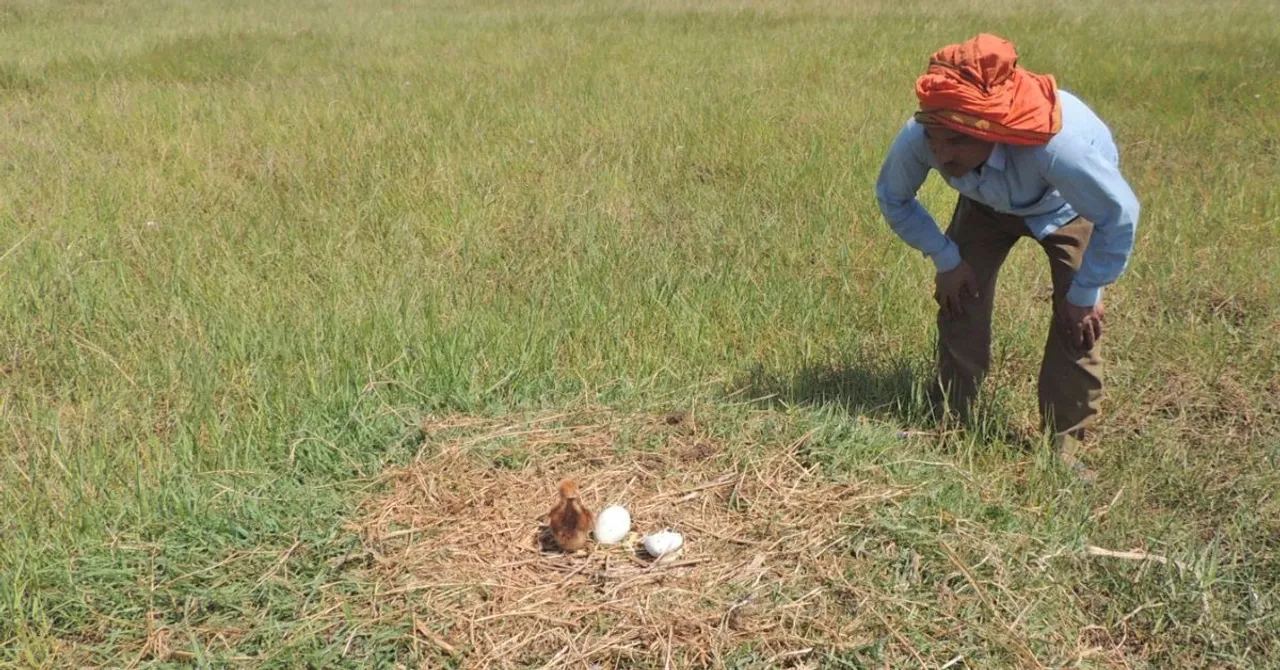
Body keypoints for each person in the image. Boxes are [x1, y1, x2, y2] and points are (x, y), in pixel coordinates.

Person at [875, 33, 1140, 481]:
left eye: (957, 142)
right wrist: (946, 259)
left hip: (1064, 207)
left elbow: (1119, 213)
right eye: (936, 140)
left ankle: (1065, 450)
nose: (942, 155)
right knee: (959, 300)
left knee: (1077, 324)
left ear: (991, 127)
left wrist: (1087, 290)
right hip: (985, 204)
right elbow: (893, 197)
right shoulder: (924, 133)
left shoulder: (1056, 146)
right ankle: (949, 421)